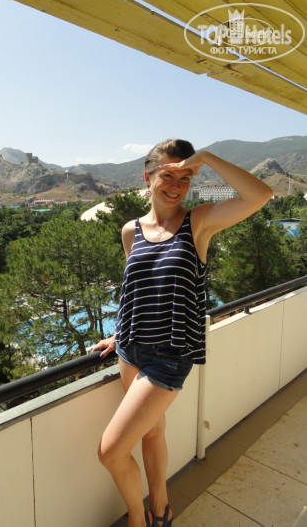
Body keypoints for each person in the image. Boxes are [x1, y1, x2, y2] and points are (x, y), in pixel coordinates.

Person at [92, 139, 272, 527]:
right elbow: (135, 289)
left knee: (110, 451)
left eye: (185, 177)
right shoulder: (130, 231)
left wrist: (204, 157)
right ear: (148, 177)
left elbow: (261, 195)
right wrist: (117, 333)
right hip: (130, 348)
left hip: (170, 356)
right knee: (151, 432)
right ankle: (161, 510)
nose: (177, 186)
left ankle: (138, 520)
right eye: (168, 175)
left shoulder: (199, 222)